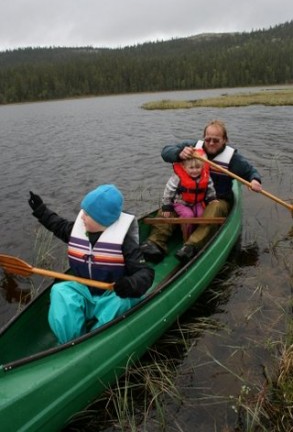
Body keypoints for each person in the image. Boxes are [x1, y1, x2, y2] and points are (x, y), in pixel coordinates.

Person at [28, 184, 154, 344]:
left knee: (122, 301)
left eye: (87, 214)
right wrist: (41, 210)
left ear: (102, 219)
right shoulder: (78, 230)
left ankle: (93, 340)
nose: (82, 217)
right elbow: (57, 225)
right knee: (60, 290)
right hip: (86, 293)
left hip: (112, 295)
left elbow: (146, 273)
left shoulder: (124, 243)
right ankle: (69, 341)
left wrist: (130, 284)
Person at [141, 120, 262, 263]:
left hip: (216, 198)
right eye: (208, 139)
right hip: (189, 199)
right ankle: (155, 243)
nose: (210, 143)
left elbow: (251, 171)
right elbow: (165, 152)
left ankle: (191, 246)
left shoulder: (232, 158)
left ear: (225, 140)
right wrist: (179, 153)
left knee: (215, 207)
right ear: (204, 137)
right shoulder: (192, 148)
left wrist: (255, 180)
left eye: (216, 140)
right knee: (171, 205)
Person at [161, 148, 218, 241]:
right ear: (184, 167)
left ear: (202, 166)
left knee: (201, 215)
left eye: (197, 167)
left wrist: (211, 198)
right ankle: (187, 238)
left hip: (197, 202)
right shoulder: (177, 177)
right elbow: (169, 190)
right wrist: (166, 206)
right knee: (188, 216)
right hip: (181, 202)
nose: (195, 170)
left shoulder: (205, 176)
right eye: (191, 168)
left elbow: (210, 189)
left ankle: (199, 237)